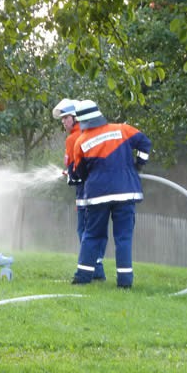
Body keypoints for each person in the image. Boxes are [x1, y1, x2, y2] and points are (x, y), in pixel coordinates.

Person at [70, 99, 151, 288]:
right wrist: (139, 164)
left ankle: (82, 277)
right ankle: (125, 282)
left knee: (92, 235)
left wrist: (82, 177)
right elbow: (145, 143)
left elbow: (80, 173)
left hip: (97, 195)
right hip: (125, 192)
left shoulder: (81, 141)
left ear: (81, 121)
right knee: (123, 238)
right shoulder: (122, 129)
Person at [52, 98, 106, 280]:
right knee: (97, 230)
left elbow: (75, 167)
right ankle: (97, 268)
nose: (63, 122)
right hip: (100, 190)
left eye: (66, 118)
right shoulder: (93, 134)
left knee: (84, 229)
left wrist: (70, 173)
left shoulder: (73, 139)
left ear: (75, 117)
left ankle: (93, 269)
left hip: (85, 191)